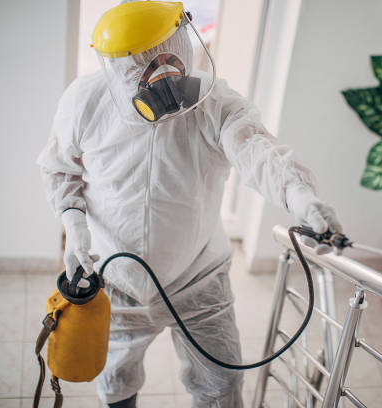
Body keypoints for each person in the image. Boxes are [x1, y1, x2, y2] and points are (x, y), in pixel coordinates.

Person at [37, 1, 343, 407]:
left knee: (220, 386)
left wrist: (301, 196)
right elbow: (60, 169)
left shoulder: (213, 103)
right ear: (114, 68)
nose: (161, 76)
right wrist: (74, 225)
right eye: (141, 66)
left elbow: (256, 150)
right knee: (115, 377)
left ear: (185, 41)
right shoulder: (86, 102)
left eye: (169, 55)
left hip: (198, 279)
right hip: (114, 275)